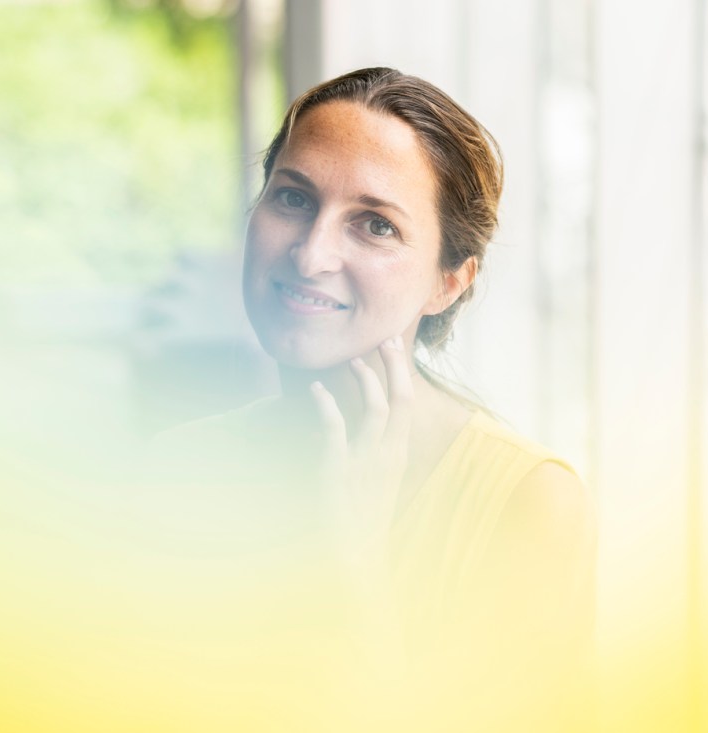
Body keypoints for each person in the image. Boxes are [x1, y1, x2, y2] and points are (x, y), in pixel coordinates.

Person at [148, 66, 596, 730]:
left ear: (449, 280)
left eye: (376, 225)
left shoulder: (527, 503)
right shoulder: (175, 467)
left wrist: (352, 565)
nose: (311, 254)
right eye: (294, 199)